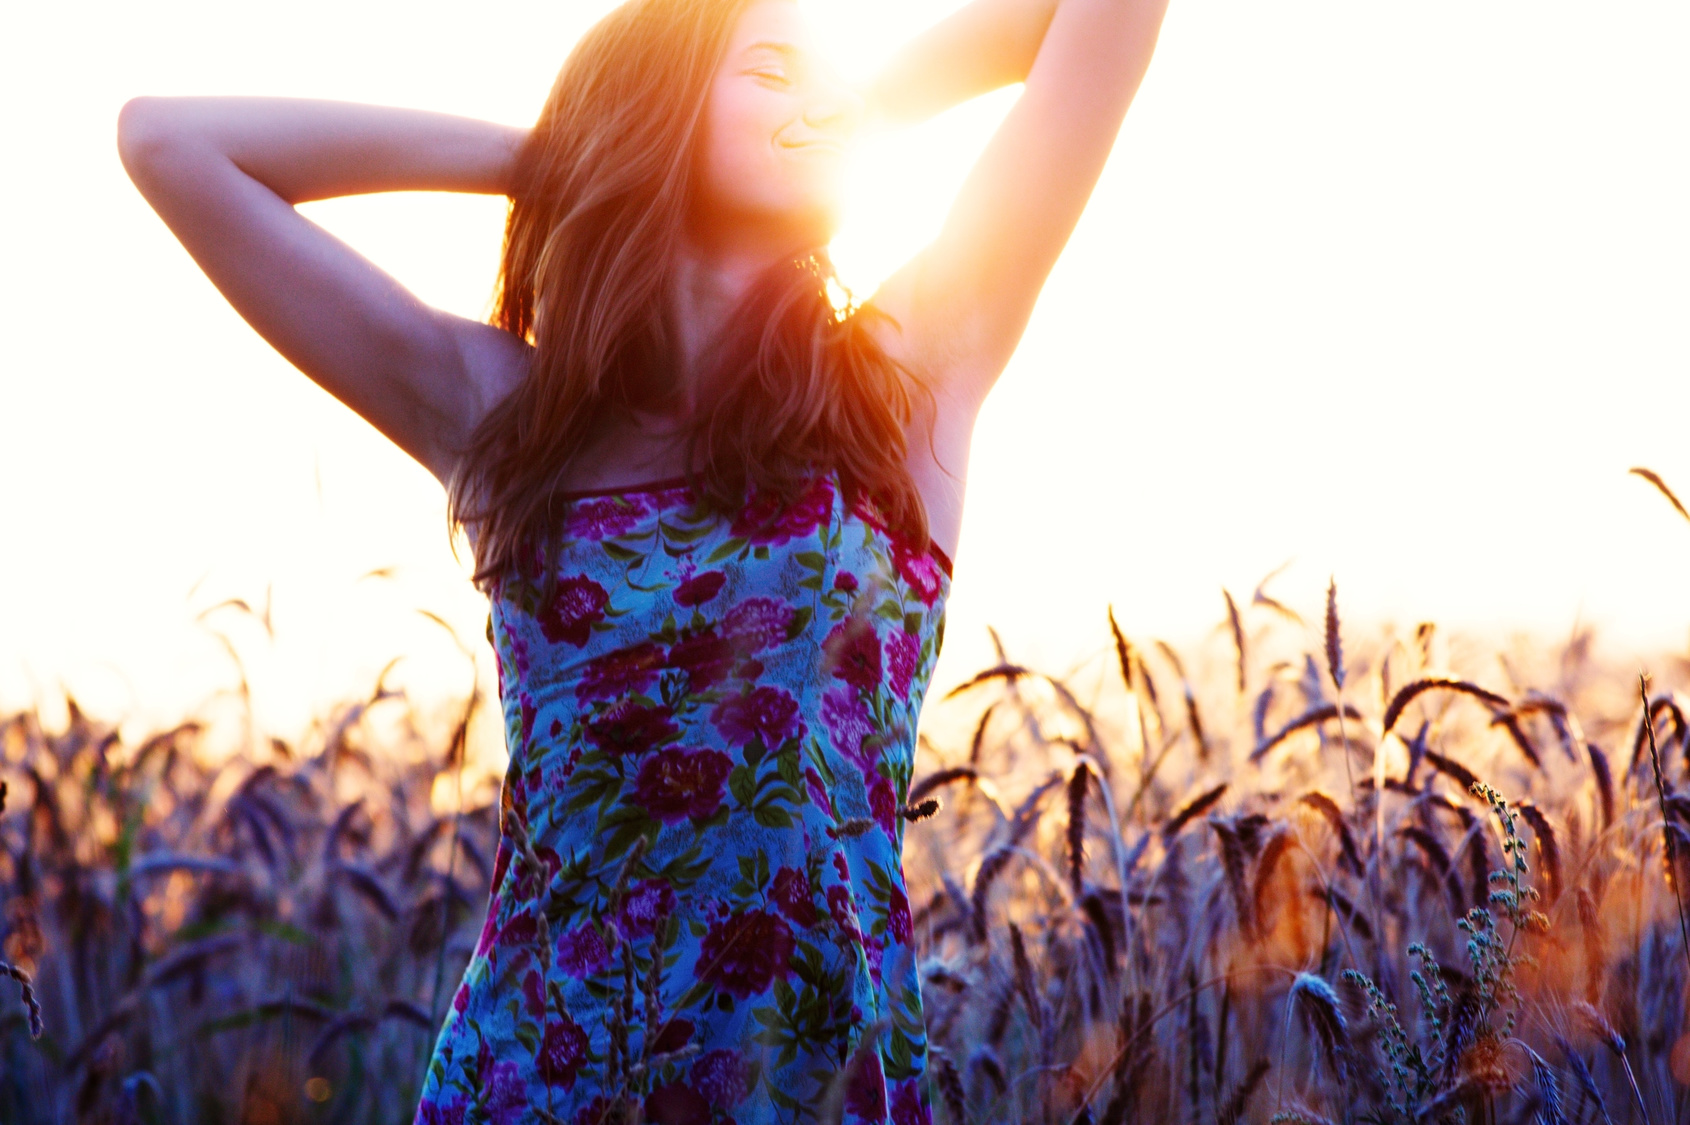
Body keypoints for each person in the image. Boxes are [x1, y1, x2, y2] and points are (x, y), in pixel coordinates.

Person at [116, 0, 1167, 1119]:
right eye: (768, 70)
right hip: (536, 1084)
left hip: (810, 1086)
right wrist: (560, 156)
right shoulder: (503, 418)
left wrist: (827, 110)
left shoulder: (908, 376)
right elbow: (170, 143)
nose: (815, 103)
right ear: (654, 111)